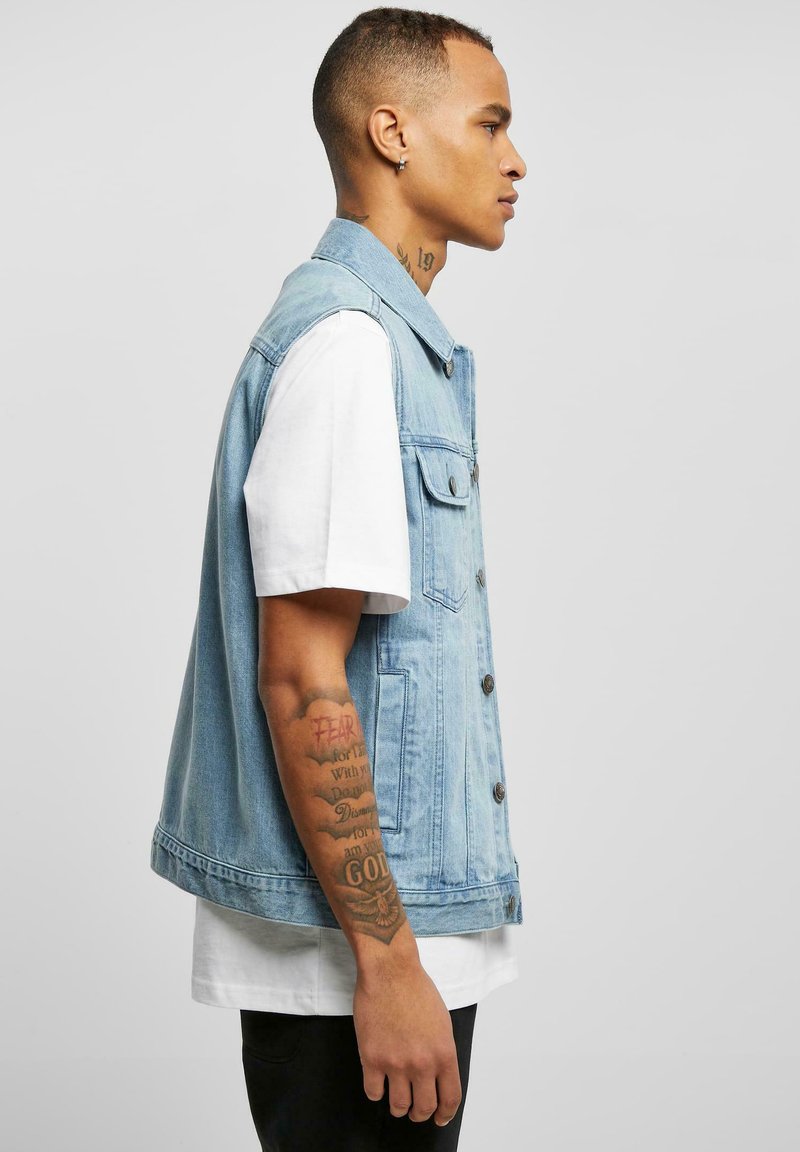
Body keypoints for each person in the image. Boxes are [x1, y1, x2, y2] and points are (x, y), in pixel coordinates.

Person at [150, 7, 527, 1149]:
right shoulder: (348, 349)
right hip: (355, 963)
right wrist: (390, 963)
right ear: (392, 132)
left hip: (386, 942)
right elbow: (303, 679)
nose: (516, 160)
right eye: (491, 123)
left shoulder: (387, 345)